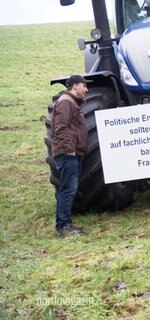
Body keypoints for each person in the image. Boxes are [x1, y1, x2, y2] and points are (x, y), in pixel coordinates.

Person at [51, 75, 91, 237]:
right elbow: (61, 128)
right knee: (67, 189)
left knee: (69, 189)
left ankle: (66, 223)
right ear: (74, 86)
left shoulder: (71, 102)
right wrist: (69, 150)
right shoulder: (66, 102)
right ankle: (63, 226)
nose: (86, 89)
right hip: (68, 154)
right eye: (84, 86)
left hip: (72, 153)